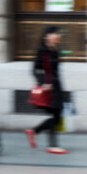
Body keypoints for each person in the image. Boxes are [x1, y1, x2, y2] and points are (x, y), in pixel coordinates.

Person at [24, 26, 68, 154]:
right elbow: (34, 70)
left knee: (56, 116)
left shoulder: (56, 50)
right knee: (56, 117)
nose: (58, 35)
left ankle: (34, 131)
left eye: (58, 33)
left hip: (57, 86)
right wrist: (43, 82)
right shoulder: (42, 51)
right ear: (46, 36)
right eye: (54, 33)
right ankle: (51, 144)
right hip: (49, 89)